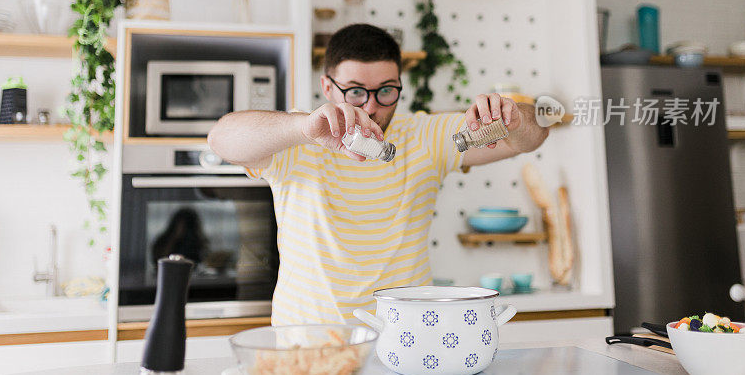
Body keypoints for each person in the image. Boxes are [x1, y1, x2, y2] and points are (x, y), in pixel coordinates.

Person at [208, 24, 549, 325]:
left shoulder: (426, 136)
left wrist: (513, 116)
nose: (371, 107)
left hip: (406, 340)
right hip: (308, 342)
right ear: (327, 87)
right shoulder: (299, 138)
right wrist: (301, 126)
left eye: (386, 91)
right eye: (355, 91)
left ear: (401, 84)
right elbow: (220, 138)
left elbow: (535, 135)